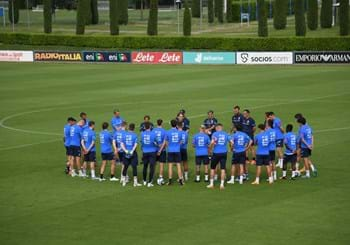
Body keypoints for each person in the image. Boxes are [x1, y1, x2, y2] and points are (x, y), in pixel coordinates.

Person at [207, 123, 230, 190]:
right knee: (223, 169)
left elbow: (212, 143)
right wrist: (231, 148)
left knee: (212, 168)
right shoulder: (226, 134)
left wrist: (209, 149)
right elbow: (231, 142)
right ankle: (222, 185)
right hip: (224, 152)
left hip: (216, 153)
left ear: (217, 128)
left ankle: (211, 184)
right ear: (222, 127)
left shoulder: (215, 134)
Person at [165, 120, 184, 185]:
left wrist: (169, 146)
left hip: (170, 150)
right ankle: (180, 180)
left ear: (171, 125)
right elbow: (181, 142)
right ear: (176, 125)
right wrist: (178, 145)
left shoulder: (168, 132)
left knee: (170, 166)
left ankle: (170, 181)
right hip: (177, 150)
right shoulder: (179, 132)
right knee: (178, 165)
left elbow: (166, 142)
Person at [140, 122, 157, 187]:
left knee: (145, 166)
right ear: (150, 127)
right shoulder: (153, 134)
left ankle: (144, 181)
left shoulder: (142, 134)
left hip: (145, 151)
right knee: (152, 167)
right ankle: (149, 182)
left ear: (144, 127)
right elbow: (156, 142)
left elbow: (141, 142)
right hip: (152, 151)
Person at [242, 109, 256, 176]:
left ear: (248, 113)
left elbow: (254, 128)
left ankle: (254, 159)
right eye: (243, 113)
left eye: (245, 113)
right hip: (244, 136)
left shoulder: (251, 120)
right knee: (245, 148)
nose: (244, 114)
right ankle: (247, 159)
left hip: (250, 135)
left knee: (252, 148)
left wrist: (251, 133)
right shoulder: (243, 119)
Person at [153, 119, 167, 185]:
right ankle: (160, 178)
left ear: (157, 123)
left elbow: (152, 140)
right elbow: (165, 143)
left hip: (154, 150)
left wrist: (157, 145)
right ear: (162, 123)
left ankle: (152, 177)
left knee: (154, 164)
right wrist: (160, 149)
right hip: (162, 150)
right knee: (161, 165)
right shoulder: (164, 131)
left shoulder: (153, 130)